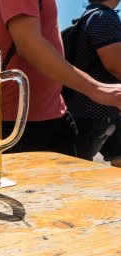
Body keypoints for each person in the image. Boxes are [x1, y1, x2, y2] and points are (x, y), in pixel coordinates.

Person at [0, 0, 121, 156]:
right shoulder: (102, 16)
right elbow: (28, 44)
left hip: (55, 113)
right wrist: (97, 89)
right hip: (21, 120)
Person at [64, 0, 121, 162]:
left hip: (100, 108)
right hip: (95, 111)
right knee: (77, 167)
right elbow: (116, 66)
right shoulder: (103, 17)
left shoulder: (89, 16)